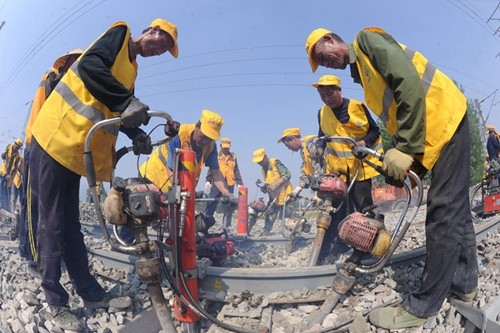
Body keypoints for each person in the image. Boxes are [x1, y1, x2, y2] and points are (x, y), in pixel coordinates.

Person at [305, 27, 478, 329]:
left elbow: (409, 82)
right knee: (456, 210)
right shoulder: (362, 74)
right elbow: (399, 115)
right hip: (441, 125)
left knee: (442, 213)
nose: (328, 63)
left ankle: (423, 306)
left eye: (324, 55)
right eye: (322, 63)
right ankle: (464, 285)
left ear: (330, 39)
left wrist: (407, 149)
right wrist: (403, 161)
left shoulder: (366, 41)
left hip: (444, 117)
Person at [29, 18, 179, 331]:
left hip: (74, 151)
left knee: (70, 226)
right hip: (55, 139)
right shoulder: (120, 36)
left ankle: (89, 293)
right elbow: (90, 69)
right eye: (161, 42)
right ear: (152, 31)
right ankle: (54, 303)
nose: (160, 50)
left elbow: (113, 109)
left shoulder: (132, 70)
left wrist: (136, 132)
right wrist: (127, 102)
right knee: (54, 225)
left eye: (165, 50)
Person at [19, 48, 83, 267]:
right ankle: (32, 256)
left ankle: (47, 254)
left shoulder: (65, 83)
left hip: (52, 150)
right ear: (65, 63)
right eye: (75, 62)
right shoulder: (53, 78)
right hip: (36, 146)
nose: (78, 67)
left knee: (50, 210)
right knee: (35, 207)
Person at [314, 74, 383, 263]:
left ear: (339, 90)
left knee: (363, 210)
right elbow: (322, 135)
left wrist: (363, 142)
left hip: (360, 169)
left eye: (329, 93)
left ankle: (366, 251)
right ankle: (334, 247)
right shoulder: (321, 113)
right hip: (337, 172)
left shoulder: (358, 108)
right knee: (335, 211)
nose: (326, 98)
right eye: (322, 95)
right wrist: (319, 148)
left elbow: (375, 131)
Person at [139, 109, 235, 235]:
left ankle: (175, 247)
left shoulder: (211, 146)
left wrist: (227, 193)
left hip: (175, 181)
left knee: (175, 219)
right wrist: (179, 191)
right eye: (204, 136)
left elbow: (215, 172)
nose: (206, 141)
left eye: (210, 138)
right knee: (143, 213)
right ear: (197, 126)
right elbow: (171, 168)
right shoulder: (180, 135)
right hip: (154, 174)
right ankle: (125, 244)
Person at [251, 148, 293, 235]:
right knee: (269, 213)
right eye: (258, 162)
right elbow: (269, 183)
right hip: (274, 197)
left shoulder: (275, 162)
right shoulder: (263, 169)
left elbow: (287, 174)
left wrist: (276, 184)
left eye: (261, 161)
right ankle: (266, 231)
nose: (260, 163)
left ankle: (292, 235)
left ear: (265, 157)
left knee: (287, 219)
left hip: (286, 195)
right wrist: (264, 188)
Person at [205, 137, 243, 230]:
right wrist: (208, 180)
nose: (226, 149)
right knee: (212, 201)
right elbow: (211, 169)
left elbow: (236, 169)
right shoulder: (216, 155)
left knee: (229, 204)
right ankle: (206, 221)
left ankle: (227, 225)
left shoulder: (233, 157)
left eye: (228, 147)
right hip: (218, 182)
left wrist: (239, 182)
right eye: (224, 147)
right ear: (221, 146)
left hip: (230, 183)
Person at [0, 139, 23, 211]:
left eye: (19, 148)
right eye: (17, 146)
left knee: (7, 192)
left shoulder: (18, 157)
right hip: (3, 171)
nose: (17, 148)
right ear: (15, 144)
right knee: (1, 189)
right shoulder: (8, 147)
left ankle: (6, 208)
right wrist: (3, 154)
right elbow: (3, 157)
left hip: (9, 176)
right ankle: (2, 206)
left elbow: (16, 168)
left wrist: (10, 175)